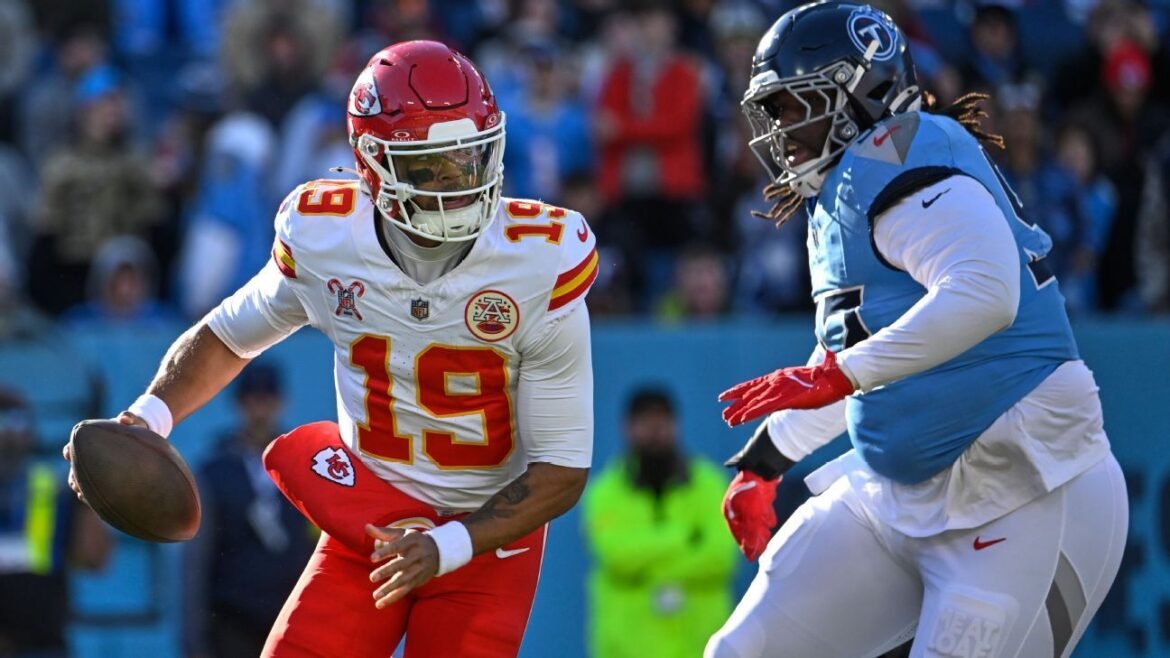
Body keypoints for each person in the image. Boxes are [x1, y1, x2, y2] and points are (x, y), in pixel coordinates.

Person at [64, 40, 597, 658]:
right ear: (373, 164)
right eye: (430, 167)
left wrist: (449, 545)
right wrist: (147, 417)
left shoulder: (538, 262)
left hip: (488, 536)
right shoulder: (328, 239)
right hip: (368, 515)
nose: (458, 184)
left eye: (469, 158)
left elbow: (561, 471)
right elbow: (228, 335)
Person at [705, 3, 1128, 657]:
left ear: (861, 92)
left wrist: (843, 373)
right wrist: (767, 460)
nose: (782, 129)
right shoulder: (848, 189)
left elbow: (987, 293)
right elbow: (862, 349)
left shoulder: (902, 157)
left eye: (795, 104)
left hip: (1025, 485)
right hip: (901, 489)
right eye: (775, 109)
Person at [582, 387, 737, 658]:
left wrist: (645, 565)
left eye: (662, 420)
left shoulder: (711, 484)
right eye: (645, 421)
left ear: (676, 424)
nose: (654, 430)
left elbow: (721, 556)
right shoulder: (604, 492)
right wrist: (686, 536)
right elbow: (616, 556)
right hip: (627, 649)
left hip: (699, 647)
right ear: (627, 427)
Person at [181, 363, 315, 658]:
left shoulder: (303, 466)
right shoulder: (215, 472)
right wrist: (194, 637)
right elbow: (196, 560)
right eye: (253, 400)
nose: (260, 410)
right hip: (233, 618)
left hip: (292, 615)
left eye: (267, 400)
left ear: (280, 403)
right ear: (239, 404)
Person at [0, 389, 110, 658]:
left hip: (41, 645)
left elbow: (93, 559)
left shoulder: (52, 488)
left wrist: (89, 479)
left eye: (15, 421)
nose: (7, 433)